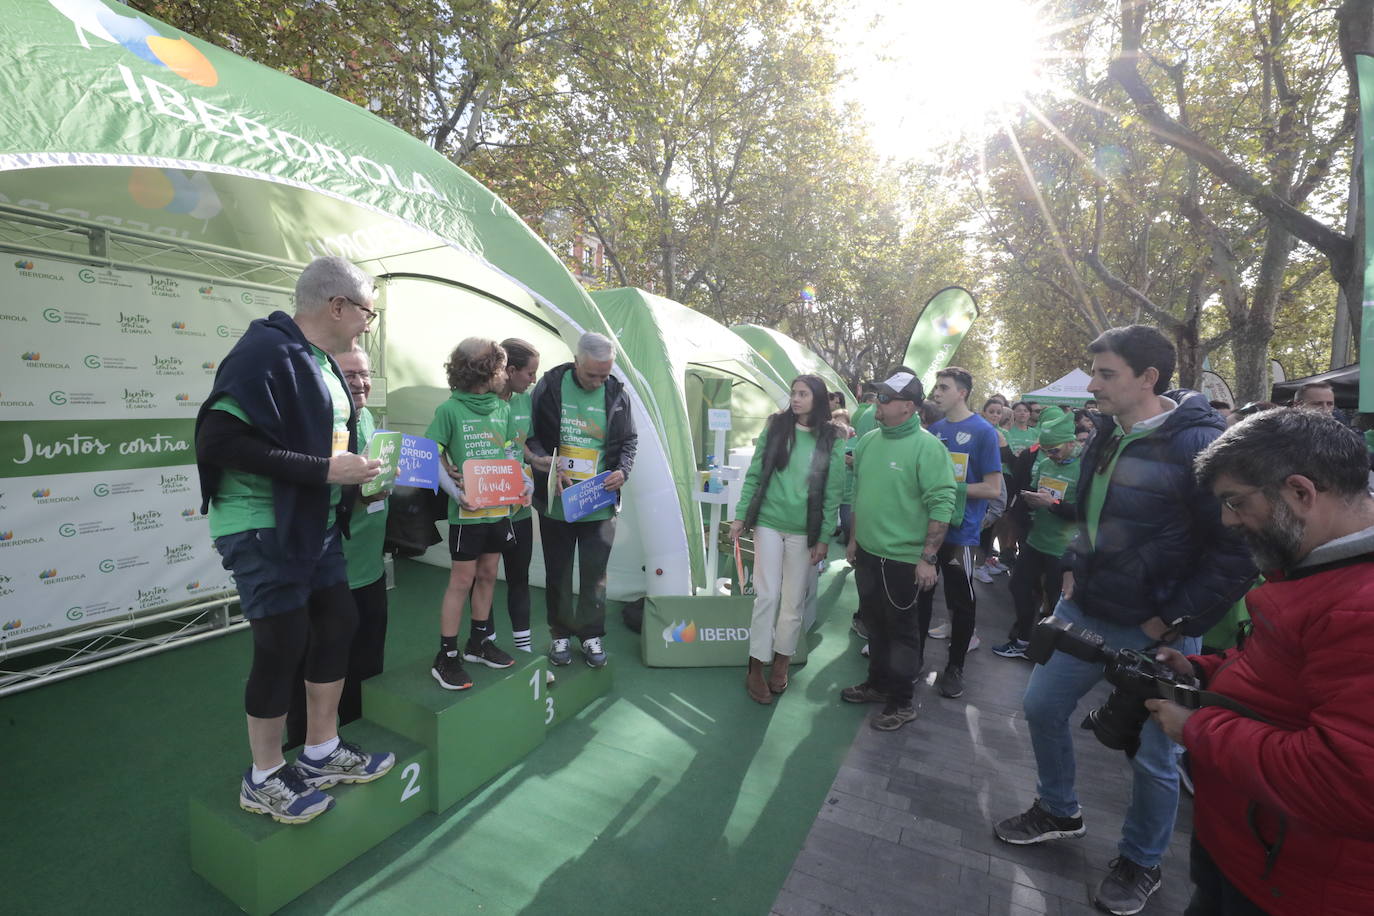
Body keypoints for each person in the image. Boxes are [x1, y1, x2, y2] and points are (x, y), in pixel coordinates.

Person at [994, 326, 1256, 916]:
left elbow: (1236, 551)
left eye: (1106, 373)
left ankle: (1141, 861)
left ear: (1148, 378)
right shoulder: (1108, 433)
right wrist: (1070, 571)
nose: (1092, 385)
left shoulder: (1202, 446)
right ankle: (1059, 810)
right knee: (1040, 707)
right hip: (1083, 610)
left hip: (1156, 631)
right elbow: (1092, 514)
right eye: (1094, 371)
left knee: (1155, 757)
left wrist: (1171, 621)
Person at [1146, 408, 1374, 915]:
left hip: (1295, 885)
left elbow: (1348, 780)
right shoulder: (1319, 563)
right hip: (1253, 853)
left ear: (1300, 493)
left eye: (1237, 502)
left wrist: (1199, 730)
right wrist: (1205, 671)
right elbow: (1286, 673)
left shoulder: (1361, 604)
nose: (1228, 520)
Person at [196, 256, 394, 825]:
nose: (367, 324)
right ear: (337, 306)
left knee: (338, 624)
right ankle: (262, 776)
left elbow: (327, 446)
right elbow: (219, 442)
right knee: (282, 646)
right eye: (367, 312)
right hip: (262, 525)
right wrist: (326, 470)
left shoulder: (320, 362)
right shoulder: (265, 352)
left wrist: (355, 473)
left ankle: (321, 749)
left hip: (315, 523)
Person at [284, 346, 391, 748]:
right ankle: (305, 745)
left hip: (370, 567)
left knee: (365, 662)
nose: (361, 383)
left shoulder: (370, 419)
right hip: (330, 570)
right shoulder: (319, 423)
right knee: (317, 663)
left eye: (364, 374)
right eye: (350, 376)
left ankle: (353, 737)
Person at [841, 371, 956, 730]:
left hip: (904, 561)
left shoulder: (928, 447)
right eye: (878, 396)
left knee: (902, 635)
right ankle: (877, 685)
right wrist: (854, 540)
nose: (878, 402)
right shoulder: (869, 441)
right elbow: (861, 494)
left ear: (909, 407)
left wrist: (927, 558)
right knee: (874, 626)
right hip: (869, 555)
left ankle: (902, 702)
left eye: (886, 399)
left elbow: (942, 504)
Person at [731, 376, 845, 704]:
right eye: (793, 393)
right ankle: (755, 667)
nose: (795, 399)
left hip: (804, 531)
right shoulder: (777, 426)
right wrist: (741, 516)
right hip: (767, 522)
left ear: (818, 399)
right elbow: (755, 473)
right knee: (766, 596)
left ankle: (781, 661)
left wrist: (823, 538)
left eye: (803, 394)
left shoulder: (832, 437)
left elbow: (833, 492)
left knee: (793, 600)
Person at [527, 332, 637, 668]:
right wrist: (547, 464)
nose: (598, 382)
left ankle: (591, 635)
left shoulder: (617, 393)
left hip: (599, 505)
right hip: (557, 503)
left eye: (605, 375)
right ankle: (559, 634)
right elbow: (529, 439)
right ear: (577, 363)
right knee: (558, 573)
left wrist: (623, 470)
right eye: (592, 375)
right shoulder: (548, 387)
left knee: (595, 575)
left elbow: (630, 440)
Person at [425, 338, 522, 690]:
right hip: (467, 515)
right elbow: (430, 455)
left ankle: (478, 643)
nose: (504, 374)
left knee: (488, 574)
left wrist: (522, 481)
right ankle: (446, 656)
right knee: (461, 581)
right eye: (500, 368)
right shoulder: (449, 410)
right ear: (487, 371)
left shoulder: (503, 409)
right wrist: (457, 493)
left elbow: (511, 452)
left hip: (498, 509)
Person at [918, 367, 1003, 699]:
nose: (936, 392)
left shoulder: (983, 432)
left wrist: (950, 488)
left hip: (962, 534)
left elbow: (993, 489)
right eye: (936, 387)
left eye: (943, 387)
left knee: (961, 602)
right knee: (921, 595)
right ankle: (915, 660)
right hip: (927, 532)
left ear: (962, 393)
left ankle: (955, 668)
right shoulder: (933, 430)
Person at [992, 409, 1081, 659]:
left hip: (1062, 548)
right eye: (1046, 449)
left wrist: (1051, 505)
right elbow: (1033, 491)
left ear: (1072, 443)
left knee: (1055, 603)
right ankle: (1021, 640)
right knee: (1019, 587)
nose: (1050, 455)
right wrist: (1028, 501)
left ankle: (1049, 652)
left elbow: (1085, 513)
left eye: (1055, 450)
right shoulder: (1043, 463)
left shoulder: (1084, 470)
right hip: (1035, 540)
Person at [497, 337, 541, 653]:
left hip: (520, 510)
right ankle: (481, 641)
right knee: (481, 579)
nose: (534, 380)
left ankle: (523, 648)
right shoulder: (479, 400)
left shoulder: (526, 402)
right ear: (510, 370)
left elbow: (525, 445)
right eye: (529, 373)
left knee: (519, 578)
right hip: (484, 510)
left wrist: (540, 462)